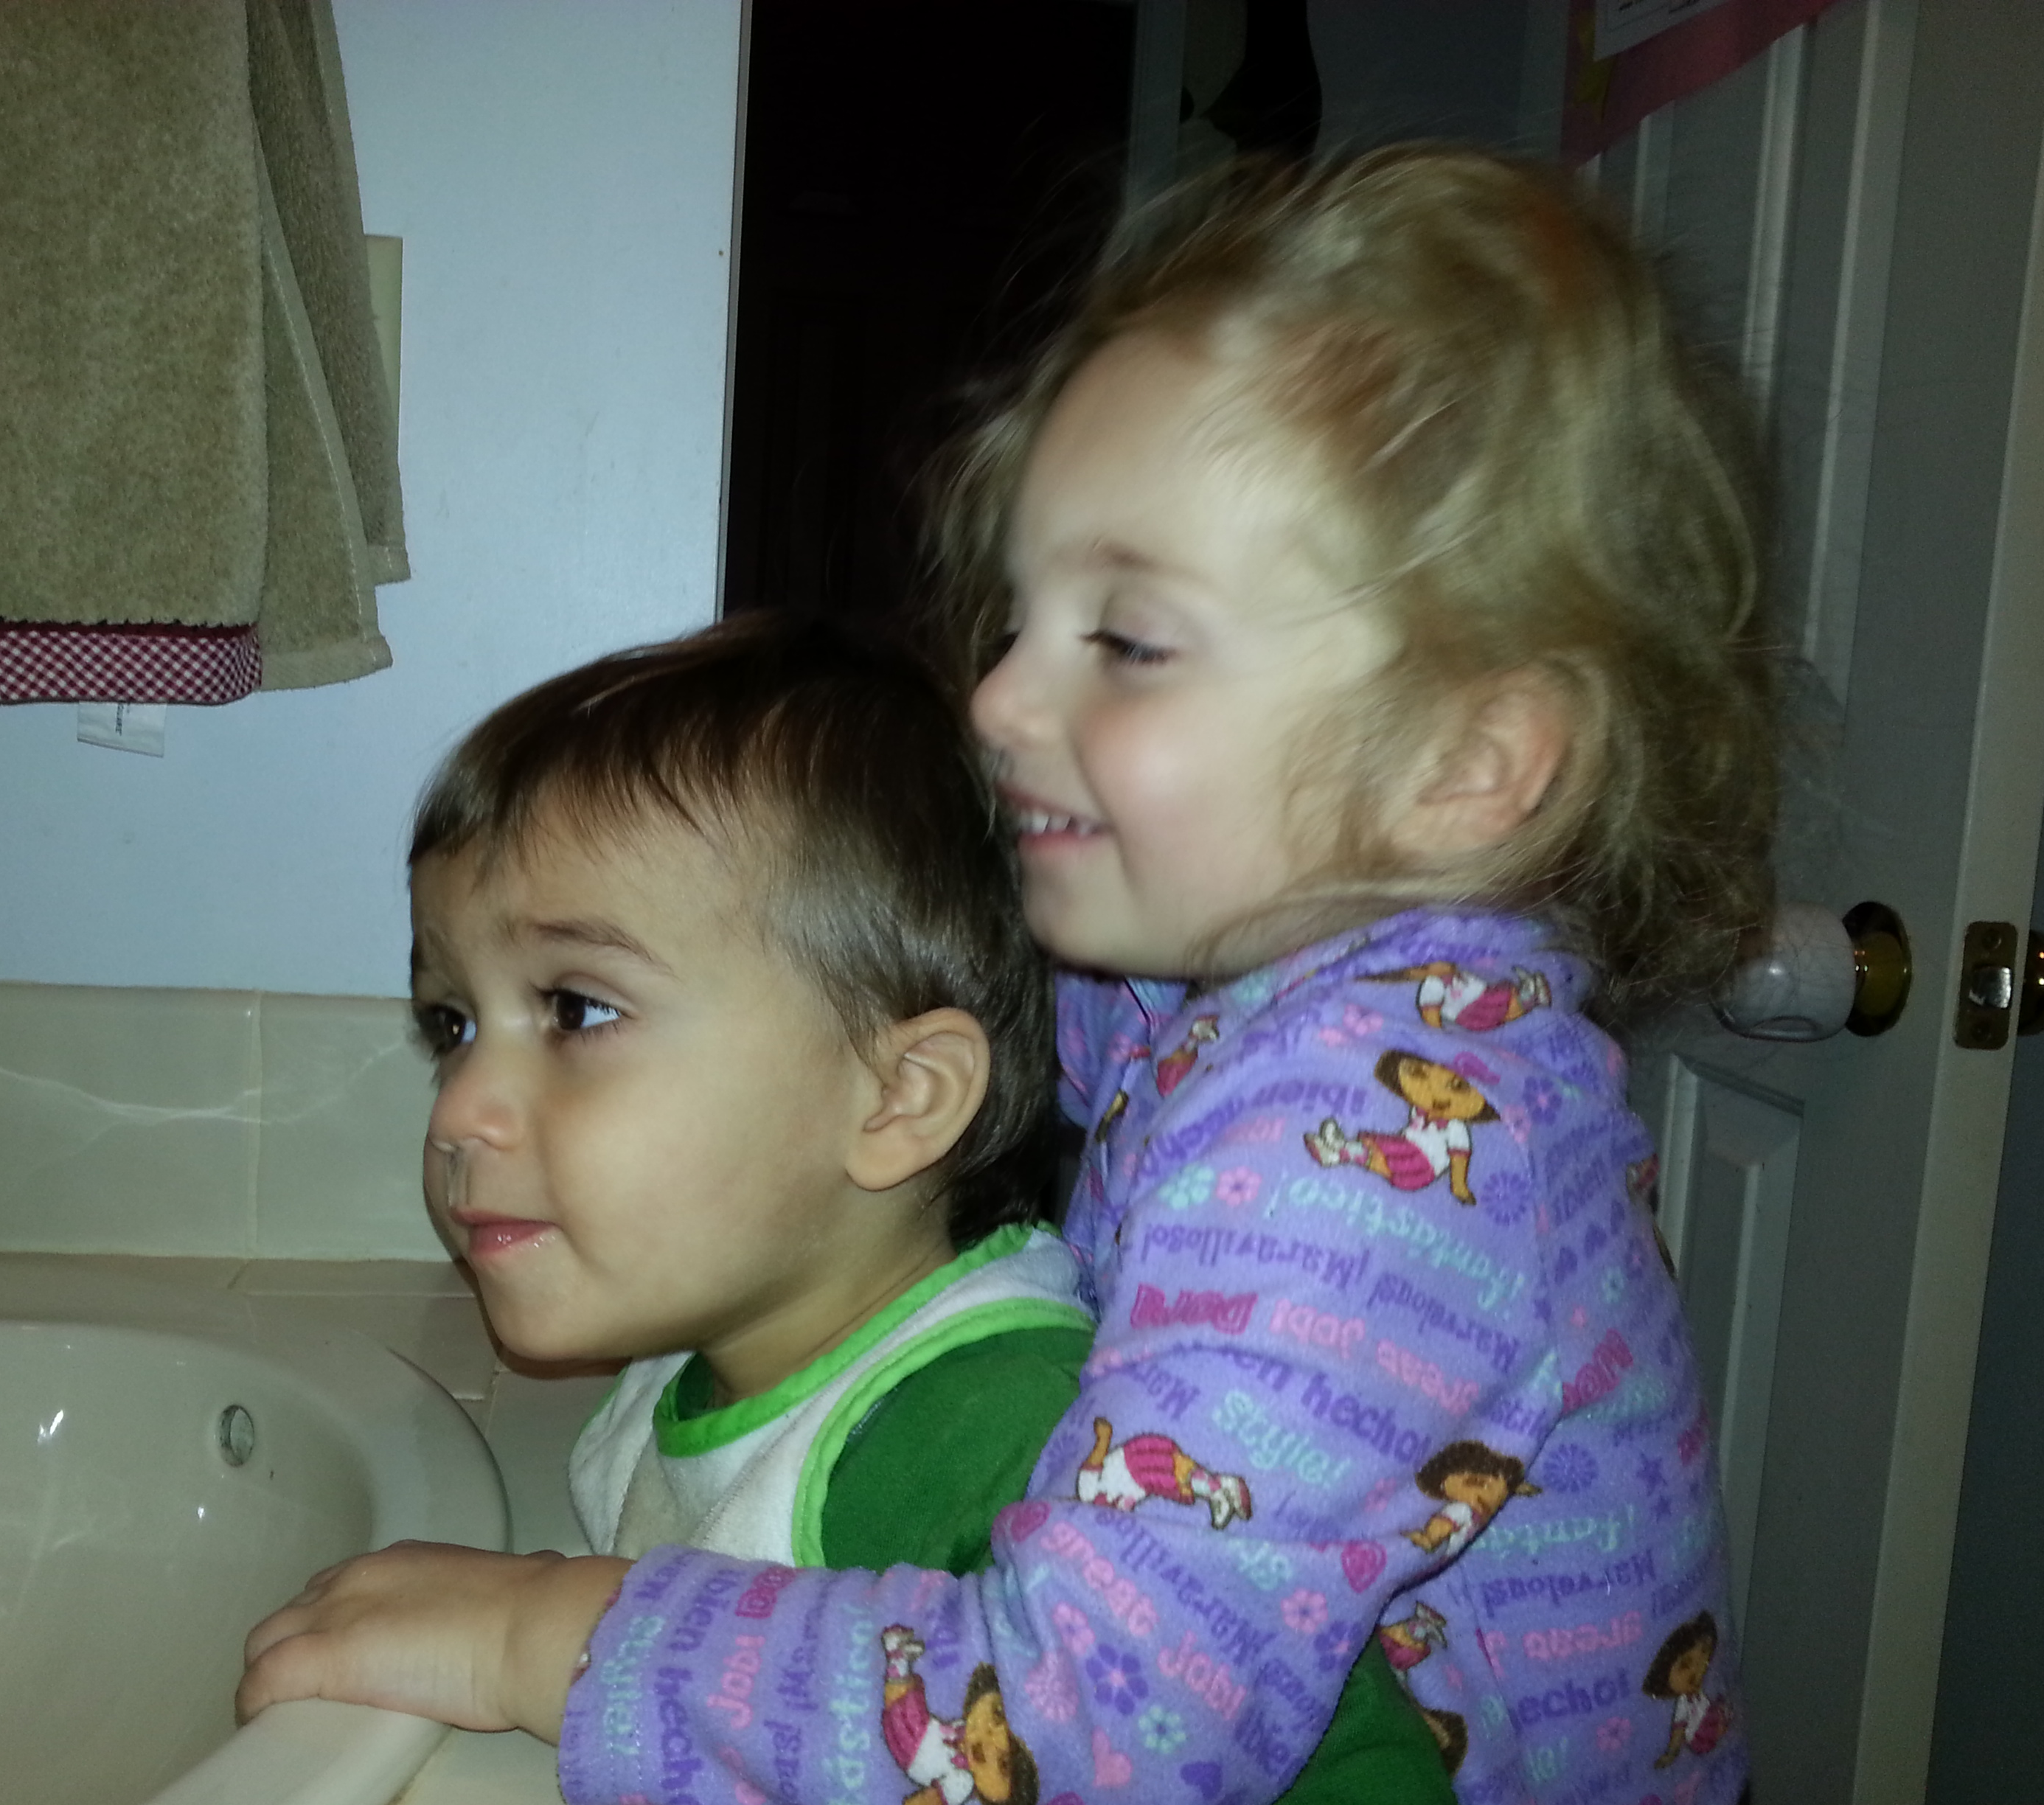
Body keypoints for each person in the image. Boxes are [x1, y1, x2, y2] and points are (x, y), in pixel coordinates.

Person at [240, 145, 1775, 1804]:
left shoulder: (1382, 1144)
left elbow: (1085, 1727)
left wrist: (544, 1637)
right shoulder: (1216, 990)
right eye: (1023, 621)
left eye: (1129, 639)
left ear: (1463, 763)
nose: (996, 702)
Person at [243, 613, 1452, 1798]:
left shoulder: (998, 1427)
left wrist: (532, 1637)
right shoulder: (701, 1365)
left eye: (578, 1010)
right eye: (452, 1023)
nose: (462, 1110)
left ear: (895, 1099)